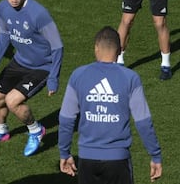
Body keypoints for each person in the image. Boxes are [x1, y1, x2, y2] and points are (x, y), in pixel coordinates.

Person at [58, 26, 162, 184]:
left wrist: (64, 153)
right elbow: (143, 121)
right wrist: (155, 155)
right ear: (120, 50)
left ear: (96, 48)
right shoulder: (130, 78)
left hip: (87, 160)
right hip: (118, 161)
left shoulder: (78, 75)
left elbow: (66, 118)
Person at [0, 0, 64, 157]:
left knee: (12, 101)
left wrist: (53, 79)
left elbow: (57, 46)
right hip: (19, 61)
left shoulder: (39, 14)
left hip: (41, 67)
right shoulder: (2, 7)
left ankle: (36, 130)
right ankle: (1, 131)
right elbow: (4, 35)